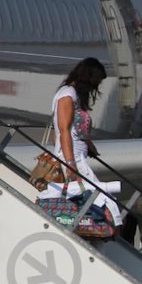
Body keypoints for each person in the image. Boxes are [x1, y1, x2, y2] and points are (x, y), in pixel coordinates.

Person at [39, 57, 122, 229]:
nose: (97, 86)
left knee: (89, 199)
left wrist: (88, 144)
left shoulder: (73, 96)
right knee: (103, 199)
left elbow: (71, 131)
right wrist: (70, 164)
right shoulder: (67, 95)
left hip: (78, 156)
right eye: (96, 81)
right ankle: (110, 232)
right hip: (73, 158)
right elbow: (63, 131)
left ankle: (99, 232)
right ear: (88, 77)